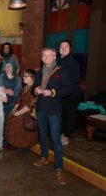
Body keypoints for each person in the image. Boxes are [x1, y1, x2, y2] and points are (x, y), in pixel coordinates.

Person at [33, 47, 71, 185]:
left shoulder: (61, 72)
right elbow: (35, 86)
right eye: (44, 55)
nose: (47, 58)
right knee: (42, 135)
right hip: (41, 109)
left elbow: (68, 89)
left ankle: (59, 168)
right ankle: (44, 157)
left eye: (50, 55)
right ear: (42, 57)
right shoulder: (39, 72)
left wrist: (52, 92)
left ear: (55, 57)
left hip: (54, 110)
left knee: (56, 140)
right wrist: (35, 89)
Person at [57, 40, 81, 145]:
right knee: (60, 114)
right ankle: (60, 133)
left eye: (66, 46)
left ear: (70, 49)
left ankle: (66, 136)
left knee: (69, 115)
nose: (63, 48)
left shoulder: (73, 62)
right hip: (59, 94)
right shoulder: (56, 60)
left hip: (71, 94)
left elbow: (75, 79)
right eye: (61, 46)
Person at [7, 69, 38, 149]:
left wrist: (19, 112)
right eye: (23, 76)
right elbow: (19, 99)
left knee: (16, 120)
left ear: (32, 78)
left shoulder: (34, 89)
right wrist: (15, 108)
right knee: (10, 116)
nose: (23, 78)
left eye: (25, 76)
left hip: (29, 112)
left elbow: (29, 105)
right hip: (22, 108)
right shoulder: (25, 87)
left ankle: (22, 144)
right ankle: (13, 142)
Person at [0, 62, 22, 146]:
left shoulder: (18, 78)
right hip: (1, 103)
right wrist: (7, 91)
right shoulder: (1, 76)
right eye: (6, 66)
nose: (8, 68)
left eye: (10, 66)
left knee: (11, 122)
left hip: (12, 103)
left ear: (13, 68)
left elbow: (18, 91)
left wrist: (13, 93)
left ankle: (10, 140)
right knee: (2, 123)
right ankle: (3, 141)